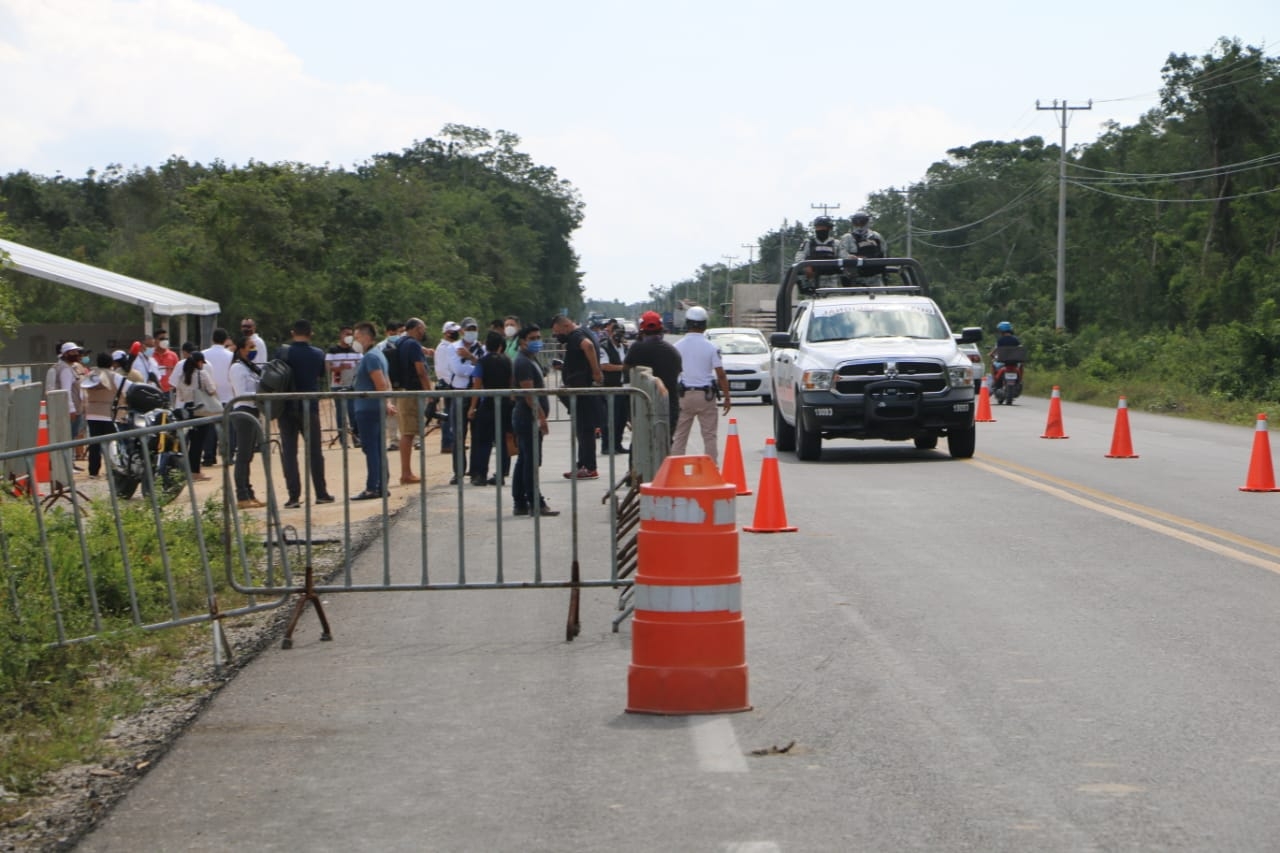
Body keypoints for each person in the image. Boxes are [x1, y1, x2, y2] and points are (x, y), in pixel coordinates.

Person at [276, 319, 335, 508]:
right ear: (311, 333)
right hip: (309, 407)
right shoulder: (318, 354)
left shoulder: (282, 352)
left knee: (290, 453)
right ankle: (321, 493)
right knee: (315, 452)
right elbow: (319, 375)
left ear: (293, 332)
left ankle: (293, 497)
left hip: (285, 408)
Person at [510, 325, 560, 518]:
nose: (536, 341)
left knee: (525, 460)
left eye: (538, 337)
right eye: (532, 338)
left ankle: (521, 502)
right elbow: (530, 395)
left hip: (527, 416)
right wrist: (541, 418)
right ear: (522, 341)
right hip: (526, 417)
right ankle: (535, 502)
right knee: (530, 461)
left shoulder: (530, 359)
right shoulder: (523, 362)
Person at [671, 306, 731, 464]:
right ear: (705, 325)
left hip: (684, 395)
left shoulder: (677, 346)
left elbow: (673, 373)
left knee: (680, 436)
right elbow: (721, 374)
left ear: (687, 323)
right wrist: (727, 397)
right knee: (709, 436)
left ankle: (676, 471)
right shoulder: (711, 347)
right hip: (706, 396)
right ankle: (711, 470)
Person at [551, 314, 603, 480]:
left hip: (583, 391)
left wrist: (596, 371)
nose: (558, 336)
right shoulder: (584, 331)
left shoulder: (576, 336)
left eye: (558, 331)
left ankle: (589, 467)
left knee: (585, 430)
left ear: (566, 326)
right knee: (582, 430)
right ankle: (582, 464)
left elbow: (588, 347)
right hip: (581, 389)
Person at [351, 321, 395, 500]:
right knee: (377, 448)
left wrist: (385, 403)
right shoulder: (377, 355)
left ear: (367, 337)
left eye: (357, 337)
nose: (355, 341)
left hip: (368, 409)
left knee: (371, 449)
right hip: (372, 408)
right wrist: (387, 403)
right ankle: (381, 484)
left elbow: (381, 384)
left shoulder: (371, 357)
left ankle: (373, 487)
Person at [624, 310, 683, 437]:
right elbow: (677, 373)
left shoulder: (636, 348)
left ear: (641, 330)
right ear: (661, 329)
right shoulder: (672, 351)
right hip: (668, 408)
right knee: (664, 446)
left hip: (642, 408)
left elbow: (626, 369)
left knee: (641, 447)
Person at [466, 331, 514, 487]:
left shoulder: (482, 362)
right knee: (502, 440)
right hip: (505, 405)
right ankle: (501, 474)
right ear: (501, 346)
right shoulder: (508, 361)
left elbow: (477, 386)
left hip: (487, 405)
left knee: (483, 441)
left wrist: (472, 407)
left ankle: (480, 475)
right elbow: (512, 384)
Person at [442, 317, 482, 484]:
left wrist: (471, 358)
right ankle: (458, 472)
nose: (471, 332)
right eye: (468, 329)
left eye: (474, 328)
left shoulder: (482, 348)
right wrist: (475, 366)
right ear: (462, 331)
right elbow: (457, 369)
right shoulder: (452, 347)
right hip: (459, 393)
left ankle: (476, 471)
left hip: (476, 392)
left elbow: (483, 368)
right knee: (458, 435)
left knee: (478, 435)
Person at [228, 336, 265, 508]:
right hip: (243, 410)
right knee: (243, 455)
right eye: (250, 347)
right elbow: (243, 391)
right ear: (241, 349)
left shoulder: (249, 368)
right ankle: (242, 496)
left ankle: (249, 493)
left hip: (253, 410)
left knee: (248, 454)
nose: (253, 350)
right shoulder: (237, 368)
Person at [394, 317, 432, 485]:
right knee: (408, 433)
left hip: (402, 389)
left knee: (406, 432)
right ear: (417, 328)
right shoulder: (413, 344)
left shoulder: (400, 342)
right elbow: (420, 370)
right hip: (411, 392)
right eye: (423, 328)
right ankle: (406, 473)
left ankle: (406, 472)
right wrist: (430, 392)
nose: (424, 332)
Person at [171, 352, 216, 482]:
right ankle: (195, 471)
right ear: (198, 362)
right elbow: (212, 390)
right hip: (200, 408)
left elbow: (180, 395)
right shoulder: (202, 375)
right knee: (199, 442)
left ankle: (187, 470)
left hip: (187, 409)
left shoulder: (183, 376)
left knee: (189, 440)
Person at [80, 351, 121, 479]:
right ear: (111, 363)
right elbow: (125, 389)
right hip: (108, 413)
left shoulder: (90, 375)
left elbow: (83, 394)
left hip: (92, 413)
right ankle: (112, 469)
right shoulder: (114, 376)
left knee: (94, 443)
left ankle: (93, 471)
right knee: (111, 443)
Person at [200, 329, 234, 466]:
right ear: (226, 340)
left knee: (209, 428)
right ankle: (229, 455)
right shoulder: (231, 355)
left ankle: (209, 456)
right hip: (228, 396)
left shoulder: (203, 354)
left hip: (209, 396)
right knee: (229, 428)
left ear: (213, 339)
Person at [598, 318, 629, 455]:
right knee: (610, 419)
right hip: (610, 387)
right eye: (617, 333)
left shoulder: (624, 347)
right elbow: (604, 366)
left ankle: (617, 444)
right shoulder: (604, 347)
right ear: (611, 333)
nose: (619, 336)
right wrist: (623, 368)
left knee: (621, 418)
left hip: (623, 387)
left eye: (621, 333)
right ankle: (607, 446)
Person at [795, 215, 842, 290]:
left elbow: (843, 258)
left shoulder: (836, 243)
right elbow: (799, 258)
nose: (821, 229)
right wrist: (806, 267)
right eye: (818, 227)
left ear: (829, 228)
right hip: (813, 280)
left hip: (832, 280)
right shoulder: (808, 243)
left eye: (824, 227)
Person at [839, 211, 887, 284]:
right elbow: (841, 254)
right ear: (853, 223)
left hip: (876, 279)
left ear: (867, 222)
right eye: (856, 223)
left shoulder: (876, 236)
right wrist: (849, 257)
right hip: (854, 280)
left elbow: (884, 253)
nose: (859, 226)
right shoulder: (847, 238)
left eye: (862, 222)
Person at [381, 320, 405, 451]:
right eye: (392, 333)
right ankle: (394, 441)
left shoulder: (404, 344)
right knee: (391, 413)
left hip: (403, 383)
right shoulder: (381, 346)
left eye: (396, 332)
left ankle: (414, 439)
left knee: (406, 412)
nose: (394, 335)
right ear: (387, 333)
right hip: (388, 383)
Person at [988, 321, 1024, 393]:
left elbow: (996, 349)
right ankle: (1020, 381)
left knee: (992, 364)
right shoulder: (1015, 339)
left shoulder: (1000, 340)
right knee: (1022, 365)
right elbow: (1020, 348)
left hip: (1003, 361)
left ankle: (995, 382)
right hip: (1014, 362)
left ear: (1002, 330)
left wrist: (991, 354)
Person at [152, 328, 179, 396]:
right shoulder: (150, 356)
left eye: (166, 339)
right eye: (161, 339)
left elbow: (178, 373)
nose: (164, 341)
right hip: (154, 391)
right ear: (155, 340)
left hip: (170, 391)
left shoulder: (173, 355)